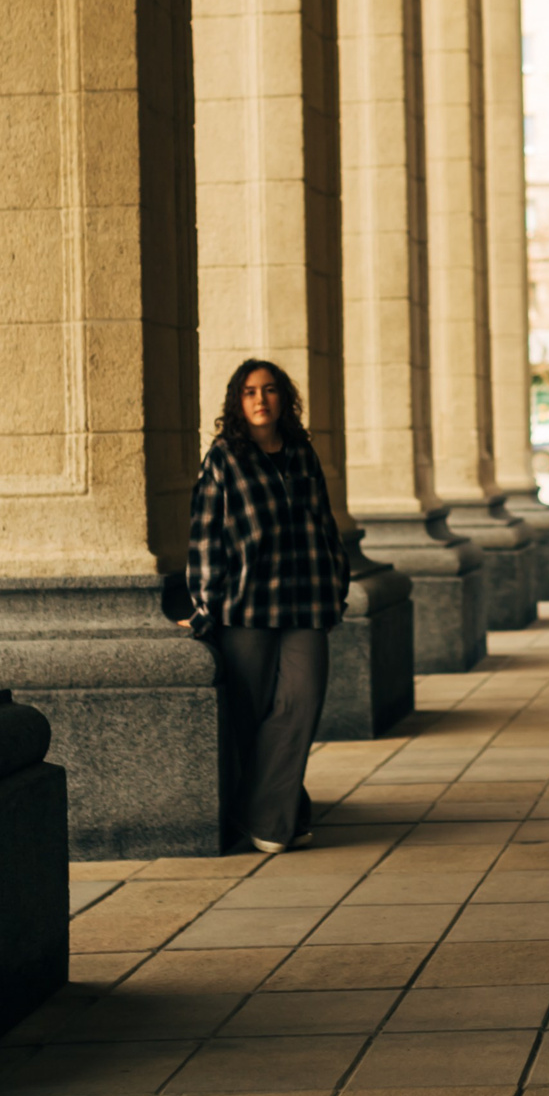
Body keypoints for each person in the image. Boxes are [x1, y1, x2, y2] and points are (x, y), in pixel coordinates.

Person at [184, 358, 351, 854]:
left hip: (307, 601)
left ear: (284, 399)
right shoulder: (223, 458)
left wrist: (337, 584)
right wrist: (204, 606)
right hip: (246, 608)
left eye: (270, 390)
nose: (261, 399)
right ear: (238, 402)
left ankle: (267, 818)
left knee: (302, 702)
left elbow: (325, 524)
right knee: (250, 717)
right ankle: (283, 811)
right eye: (250, 391)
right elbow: (205, 537)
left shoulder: (302, 452)